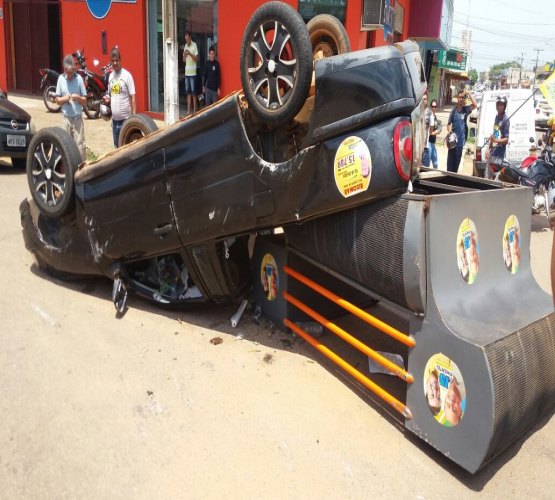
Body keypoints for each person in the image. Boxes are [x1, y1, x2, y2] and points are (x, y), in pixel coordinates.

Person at [55, 54, 87, 161]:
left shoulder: (79, 79)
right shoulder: (60, 79)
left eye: (71, 72)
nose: (69, 75)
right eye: (68, 73)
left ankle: (83, 170)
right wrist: (64, 99)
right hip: (66, 119)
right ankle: (67, 169)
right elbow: (57, 101)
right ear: (64, 69)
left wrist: (78, 98)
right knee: (65, 146)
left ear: (74, 69)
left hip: (77, 118)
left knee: (80, 146)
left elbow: (85, 100)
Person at [104, 47, 136, 148]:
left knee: (127, 148)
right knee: (116, 148)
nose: (114, 63)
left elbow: (133, 97)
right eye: (112, 61)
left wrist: (134, 118)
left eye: (116, 60)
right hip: (114, 121)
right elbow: (110, 95)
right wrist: (107, 99)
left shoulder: (127, 76)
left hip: (125, 121)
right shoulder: (110, 77)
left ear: (120, 60)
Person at [446, 89, 477, 173]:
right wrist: (449, 131)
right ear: (457, 98)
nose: (460, 99)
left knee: (455, 167)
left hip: (460, 143)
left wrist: (469, 93)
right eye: (459, 97)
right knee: (449, 167)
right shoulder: (453, 111)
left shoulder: (465, 109)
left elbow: (475, 105)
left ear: (464, 99)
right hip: (452, 143)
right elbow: (448, 124)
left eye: (462, 97)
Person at [486, 96, 510, 179]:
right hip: (493, 151)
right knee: (488, 175)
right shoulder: (497, 117)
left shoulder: (506, 120)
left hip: (499, 154)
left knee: (495, 177)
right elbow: (495, 133)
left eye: (501, 105)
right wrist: (489, 148)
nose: (499, 107)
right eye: (498, 104)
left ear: (504, 106)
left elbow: (506, 140)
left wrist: (495, 140)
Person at [183, 31, 199, 115]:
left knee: (194, 92)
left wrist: (190, 53)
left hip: (193, 73)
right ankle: (188, 111)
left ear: (190, 38)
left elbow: (197, 58)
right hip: (187, 73)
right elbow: (183, 60)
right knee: (188, 93)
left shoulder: (194, 45)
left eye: (188, 39)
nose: (187, 41)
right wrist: (185, 56)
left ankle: (194, 110)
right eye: (186, 39)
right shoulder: (185, 46)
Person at [428, 99, 440, 169]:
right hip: (428, 142)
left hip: (433, 142)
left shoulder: (435, 117)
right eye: (432, 106)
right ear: (430, 107)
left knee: (435, 164)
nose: (433, 108)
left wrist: (438, 130)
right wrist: (436, 132)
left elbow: (437, 126)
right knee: (427, 164)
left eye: (435, 107)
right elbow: (429, 132)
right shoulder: (429, 116)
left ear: (437, 107)